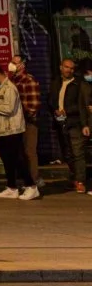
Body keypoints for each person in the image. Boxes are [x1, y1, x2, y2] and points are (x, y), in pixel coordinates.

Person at [0, 60, 35, 199]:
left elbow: (9, 108)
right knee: (7, 160)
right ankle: (11, 187)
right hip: (1, 130)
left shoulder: (9, 88)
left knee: (18, 159)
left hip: (12, 129)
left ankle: (31, 186)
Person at [10, 56, 44, 196]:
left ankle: (34, 180)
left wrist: (24, 113)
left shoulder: (29, 79)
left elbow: (34, 104)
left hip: (28, 121)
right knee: (19, 152)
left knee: (30, 151)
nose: (11, 65)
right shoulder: (12, 80)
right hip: (16, 121)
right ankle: (25, 180)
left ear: (22, 65)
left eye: (15, 62)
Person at [60, 57, 91, 195]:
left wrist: (86, 124)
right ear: (61, 67)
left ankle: (80, 181)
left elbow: (84, 105)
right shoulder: (56, 83)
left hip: (76, 122)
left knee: (78, 153)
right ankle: (75, 179)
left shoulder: (80, 84)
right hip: (61, 122)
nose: (69, 70)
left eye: (71, 68)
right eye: (66, 67)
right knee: (68, 153)